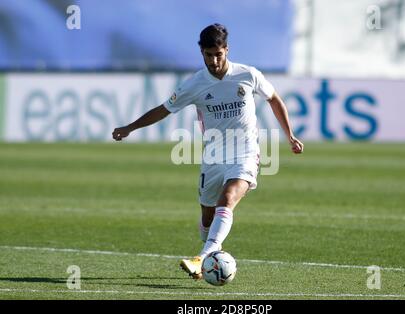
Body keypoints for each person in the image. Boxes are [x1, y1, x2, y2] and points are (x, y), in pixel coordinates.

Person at [112, 23, 304, 280]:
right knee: (207, 214)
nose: (214, 60)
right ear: (201, 52)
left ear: (226, 50)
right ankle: (212, 251)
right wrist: (131, 127)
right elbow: (164, 109)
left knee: (228, 198)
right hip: (213, 157)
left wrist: (289, 134)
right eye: (208, 55)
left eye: (218, 54)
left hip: (245, 152)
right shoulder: (194, 84)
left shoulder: (248, 74)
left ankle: (202, 259)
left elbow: (274, 99)